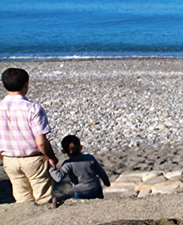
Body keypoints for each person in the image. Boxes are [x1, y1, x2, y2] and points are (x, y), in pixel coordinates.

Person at [0, 68, 58, 205]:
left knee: (22, 199)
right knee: (43, 197)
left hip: (9, 158)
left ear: (3, 84)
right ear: (26, 84)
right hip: (33, 158)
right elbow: (41, 142)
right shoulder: (32, 109)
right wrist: (51, 156)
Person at [49, 134, 110, 199]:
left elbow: (58, 178)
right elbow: (101, 172)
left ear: (63, 151)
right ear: (81, 147)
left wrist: (52, 168)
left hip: (80, 191)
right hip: (95, 188)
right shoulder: (90, 158)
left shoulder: (68, 164)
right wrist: (106, 182)